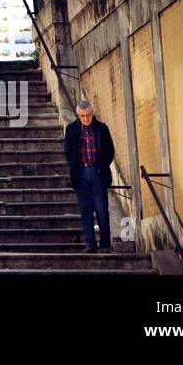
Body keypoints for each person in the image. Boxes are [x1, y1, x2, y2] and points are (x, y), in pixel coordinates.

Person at [64, 100, 115, 253]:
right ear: (78, 115)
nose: (86, 119)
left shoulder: (102, 128)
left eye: (88, 115)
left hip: (98, 172)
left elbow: (110, 151)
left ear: (92, 113)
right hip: (81, 174)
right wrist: (76, 169)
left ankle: (105, 244)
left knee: (101, 209)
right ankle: (90, 244)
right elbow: (68, 152)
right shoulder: (71, 129)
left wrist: (102, 166)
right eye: (82, 116)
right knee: (85, 210)